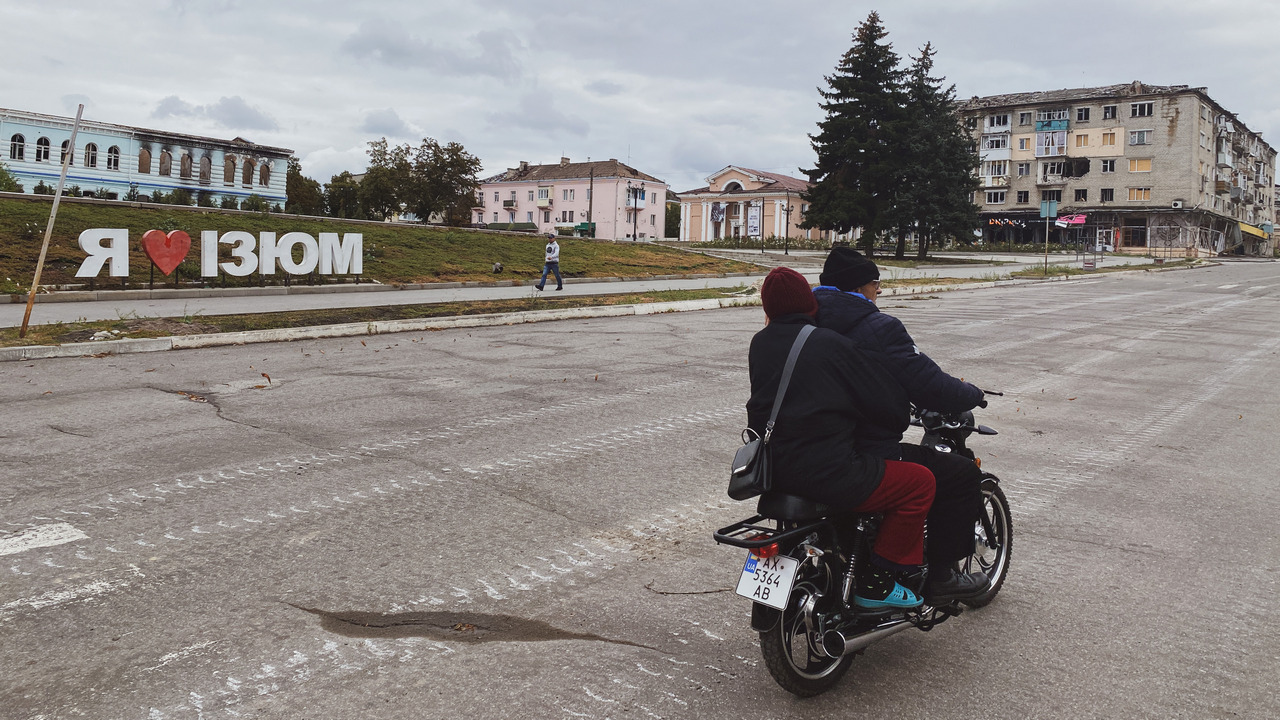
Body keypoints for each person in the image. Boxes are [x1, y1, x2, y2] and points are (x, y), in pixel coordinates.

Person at [748, 267, 936, 610]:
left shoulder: (760, 343)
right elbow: (879, 399)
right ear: (810, 302)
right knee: (920, 482)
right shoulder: (829, 342)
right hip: (829, 472)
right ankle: (877, 584)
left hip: (774, 471)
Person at [813, 247, 989, 602]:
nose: (879, 293)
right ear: (863, 287)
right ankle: (940, 575)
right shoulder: (878, 326)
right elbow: (926, 381)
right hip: (863, 450)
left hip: (813, 446)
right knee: (958, 475)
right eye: (877, 285)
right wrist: (970, 393)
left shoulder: (804, 319)